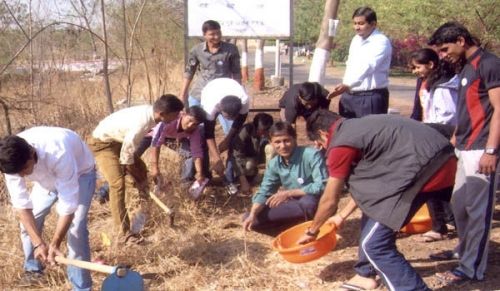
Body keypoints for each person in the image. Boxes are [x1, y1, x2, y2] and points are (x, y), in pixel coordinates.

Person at [300, 110, 457, 291]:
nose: (322, 148)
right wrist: (341, 216)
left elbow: (329, 201)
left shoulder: (341, 143)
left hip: (427, 169)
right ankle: (366, 274)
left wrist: (312, 231)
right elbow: (368, 193)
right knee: (373, 213)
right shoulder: (362, 127)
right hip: (444, 160)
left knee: (374, 245)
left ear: (322, 133)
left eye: (320, 144)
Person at [427, 22, 500, 285]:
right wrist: (457, 132)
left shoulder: (489, 63)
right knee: (460, 206)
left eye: (445, 49)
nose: (443, 55)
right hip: (465, 146)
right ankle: (464, 251)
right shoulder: (466, 67)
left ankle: (472, 268)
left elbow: (498, 108)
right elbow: (468, 106)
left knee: (478, 211)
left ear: (460, 40)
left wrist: (491, 151)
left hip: (482, 149)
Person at [0, 127, 96, 290]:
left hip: (80, 174)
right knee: (28, 225)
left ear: (31, 153)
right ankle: (33, 269)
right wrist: (39, 243)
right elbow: (22, 206)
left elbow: (68, 205)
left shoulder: (58, 151)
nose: (22, 176)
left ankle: (81, 287)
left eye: (24, 170)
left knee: (76, 229)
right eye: (18, 173)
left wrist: (55, 242)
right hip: (45, 181)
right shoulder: (9, 160)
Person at [87, 94, 183, 242]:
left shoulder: (152, 116)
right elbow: (126, 159)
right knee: (117, 184)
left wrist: (140, 178)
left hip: (118, 141)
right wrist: (136, 179)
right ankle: (124, 234)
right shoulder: (142, 123)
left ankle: (143, 214)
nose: (177, 119)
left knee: (142, 171)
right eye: (175, 115)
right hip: (103, 144)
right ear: (162, 114)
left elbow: (128, 152)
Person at [409, 48, 459, 242]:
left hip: (441, 137)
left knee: (433, 182)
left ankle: (448, 223)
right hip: (431, 134)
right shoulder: (427, 83)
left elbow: (447, 117)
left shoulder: (443, 87)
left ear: (430, 65)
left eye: (417, 67)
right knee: (432, 183)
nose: (415, 71)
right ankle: (442, 224)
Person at [242, 121, 328, 235]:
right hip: (293, 205)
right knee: (250, 219)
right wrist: (253, 214)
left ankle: (315, 229)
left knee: (308, 203)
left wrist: (288, 193)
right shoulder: (274, 164)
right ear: (270, 143)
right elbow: (264, 191)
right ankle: (292, 232)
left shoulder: (311, 154)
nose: (282, 146)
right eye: (277, 142)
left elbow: (322, 185)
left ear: (294, 139)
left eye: (286, 140)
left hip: (316, 202)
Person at [328, 6, 392, 118]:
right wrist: (344, 86)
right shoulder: (356, 40)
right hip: (349, 96)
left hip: (369, 97)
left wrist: (348, 84)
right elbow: (351, 66)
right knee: (348, 132)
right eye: (355, 23)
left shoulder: (381, 42)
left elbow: (368, 66)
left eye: (361, 23)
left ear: (373, 24)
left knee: (370, 133)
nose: (357, 27)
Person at [201, 77, 250, 195]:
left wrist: (227, 140)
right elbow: (209, 133)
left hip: (230, 87)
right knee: (200, 138)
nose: (230, 119)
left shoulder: (244, 100)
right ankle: (205, 175)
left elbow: (239, 122)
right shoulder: (210, 106)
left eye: (233, 117)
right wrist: (217, 158)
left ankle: (230, 177)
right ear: (220, 110)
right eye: (227, 117)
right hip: (208, 89)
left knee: (234, 141)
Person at [148, 106, 209, 199]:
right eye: (189, 120)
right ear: (183, 114)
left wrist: (199, 173)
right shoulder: (170, 121)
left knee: (190, 154)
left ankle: (184, 185)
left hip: (172, 138)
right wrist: (155, 167)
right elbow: (156, 143)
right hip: (151, 135)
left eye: (195, 124)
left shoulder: (194, 130)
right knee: (134, 155)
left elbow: (196, 152)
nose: (190, 125)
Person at [180, 20, 241, 109]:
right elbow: (189, 72)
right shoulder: (197, 50)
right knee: (194, 120)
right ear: (204, 34)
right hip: (200, 93)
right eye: (212, 34)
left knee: (231, 122)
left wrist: (238, 92)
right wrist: (182, 94)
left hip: (223, 94)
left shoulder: (231, 49)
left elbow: (236, 73)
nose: (216, 37)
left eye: (218, 33)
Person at [225, 113, 274, 195]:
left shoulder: (270, 131)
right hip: (243, 159)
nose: (264, 133)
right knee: (248, 165)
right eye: (262, 130)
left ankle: (270, 176)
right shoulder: (245, 131)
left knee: (271, 149)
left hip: (256, 158)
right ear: (255, 127)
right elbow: (235, 156)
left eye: (267, 130)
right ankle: (238, 181)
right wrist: (243, 181)